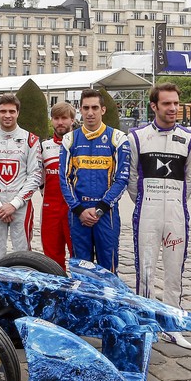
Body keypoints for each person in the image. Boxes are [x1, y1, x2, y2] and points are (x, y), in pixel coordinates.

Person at [126, 83, 191, 349]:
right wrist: (146, 199)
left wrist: (175, 199)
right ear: (154, 106)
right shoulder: (137, 136)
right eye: (167, 103)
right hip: (147, 210)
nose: (173, 108)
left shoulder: (190, 138)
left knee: (174, 270)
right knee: (145, 269)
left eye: (176, 103)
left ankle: (171, 325)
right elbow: (132, 177)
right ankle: (146, 321)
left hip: (176, 213)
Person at [60, 89, 131, 274]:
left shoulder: (118, 138)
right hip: (78, 214)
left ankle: (108, 302)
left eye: (94, 107)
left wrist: (100, 209)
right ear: (80, 110)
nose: (90, 112)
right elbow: (64, 179)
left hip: (106, 214)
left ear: (103, 110)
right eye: (86, 108)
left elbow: (121, 178)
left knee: (108, 269)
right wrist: (79, 210)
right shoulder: (70, 139)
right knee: (81, 270)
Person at [0, 93, 43, 263]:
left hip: (20, 205)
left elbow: (35, 175)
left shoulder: (31, 139)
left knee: (23, 253)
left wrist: (14, 204)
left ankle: (21, 287)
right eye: (3, 111)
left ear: (18, 113)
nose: (7, 115)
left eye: (12, 111)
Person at [41, 101, 75, 271]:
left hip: (74, 209)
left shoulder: (80, 145)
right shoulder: (44, 146)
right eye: (56, 118)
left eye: (64, 118)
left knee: (78, 256)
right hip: (51, 209)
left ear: (72, 120)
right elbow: (39, 178)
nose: (60, 122)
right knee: (51, 258)